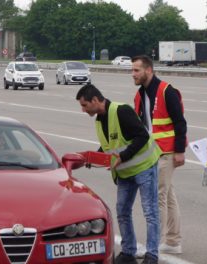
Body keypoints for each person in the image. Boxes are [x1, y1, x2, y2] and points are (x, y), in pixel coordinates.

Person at [76, 84, 162, 264]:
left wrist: (122, 157)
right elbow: (109, 146)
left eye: (84, 105)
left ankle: (152, 255)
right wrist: (97, 157)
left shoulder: (121, 111)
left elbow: (142, 136)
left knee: (150, 212)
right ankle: (128, 252)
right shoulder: (99, 119)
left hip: (144, 166)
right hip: (124, 172)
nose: (83, 110)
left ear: (95, 100)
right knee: (122, 211)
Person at [131, 55, 187, 254]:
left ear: (148, 70)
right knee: (168, 195)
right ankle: (173, 241)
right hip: (152, 153)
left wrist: (180, 151)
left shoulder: (166, 91)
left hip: (167, 151)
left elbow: (180, 123)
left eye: (136, 70)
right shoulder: (140, 95)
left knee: (158, 196)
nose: (133, 74)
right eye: (132, 70)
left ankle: (153, 244)